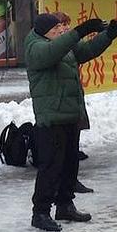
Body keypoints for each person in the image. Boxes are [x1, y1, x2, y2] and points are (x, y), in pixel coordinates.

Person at [26, 13, 117, 232]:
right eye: (56, 28)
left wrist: (108, 35)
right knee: (51, 167)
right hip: (51, 116)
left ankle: (65, 205)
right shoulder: (36, 47)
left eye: (62, 27)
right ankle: (40, 212)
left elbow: (86, 51)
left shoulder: (63, 46)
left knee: (70, 163)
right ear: (44, 31)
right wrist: (80, 31)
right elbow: (53, 52)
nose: (61, 31)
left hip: (70, 114)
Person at [52, 11, 93, 193]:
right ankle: (61, 184)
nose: (66, 28)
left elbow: (87, 51)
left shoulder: (70, 45)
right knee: (61, 149)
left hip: (73, 98)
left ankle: (71, 181)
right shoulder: (51, 47)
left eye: (67, 24)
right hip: (59, 104)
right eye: (62, 25)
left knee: (72, 145)